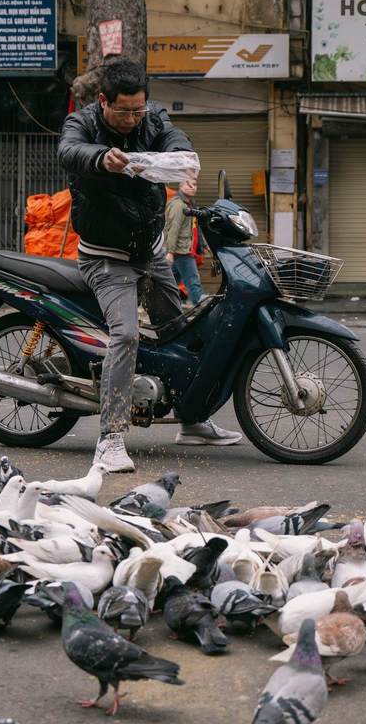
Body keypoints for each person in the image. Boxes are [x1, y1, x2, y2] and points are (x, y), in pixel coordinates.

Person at [58, 60, 241, 472]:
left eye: (137, 110)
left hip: (152, 252)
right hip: (106, 257)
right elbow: (69, 150)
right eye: (123, 111)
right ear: (103, 101)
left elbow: (174, 134)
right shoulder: (82, 123)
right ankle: (109, 438)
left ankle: (191, 420)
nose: (131, 119)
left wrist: (178, 155)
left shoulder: (151, 117)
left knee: (178, 332)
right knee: (125, 335)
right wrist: (101, 158)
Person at [164, 177, 207, 306]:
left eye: (195, 184)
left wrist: (205, 245)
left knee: (168, 285)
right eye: (190, 185)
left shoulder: (190, 204)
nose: (193, 187)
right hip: (182, 252)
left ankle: (161, 308)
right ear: (181, 186)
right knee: (194, 284)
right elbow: (173, 229)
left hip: (184, 251)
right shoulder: (179, 205)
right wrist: (170, 252)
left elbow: (195, 227)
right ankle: (203, 313)